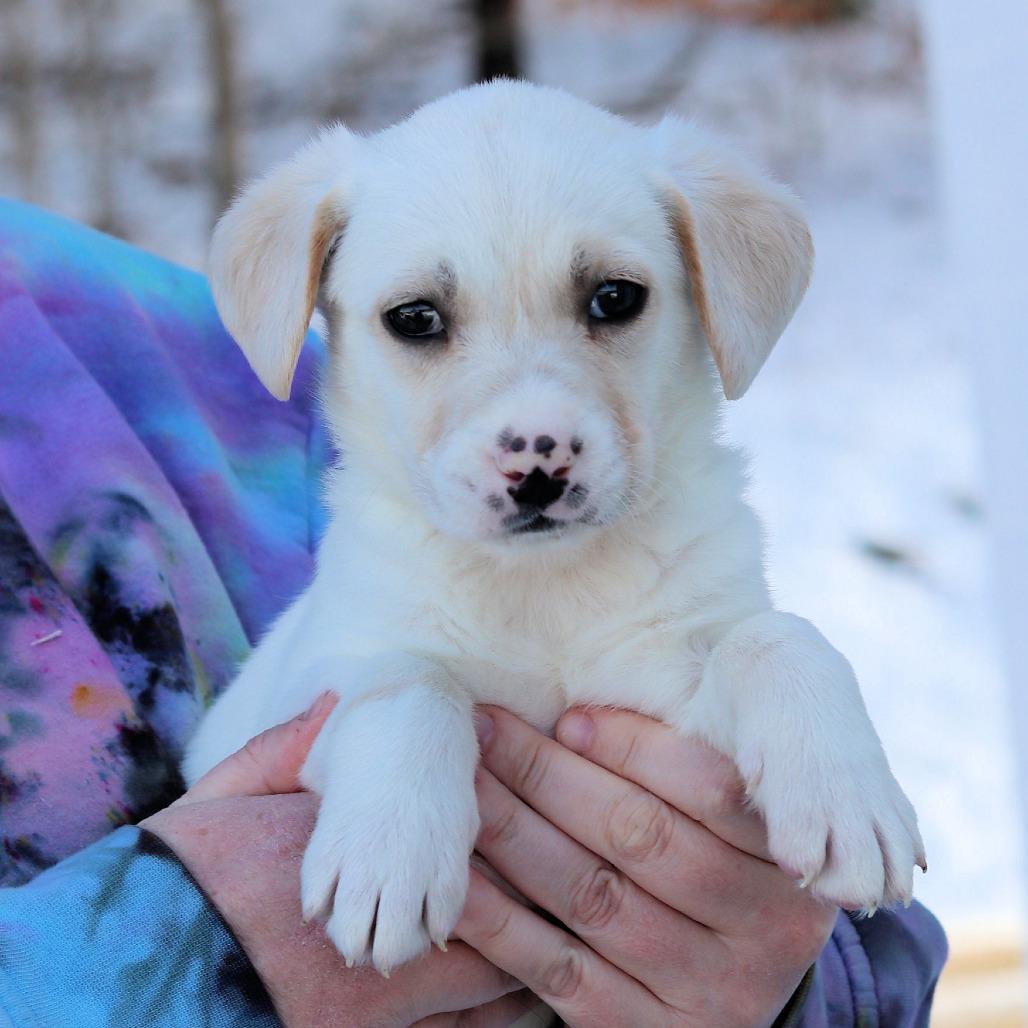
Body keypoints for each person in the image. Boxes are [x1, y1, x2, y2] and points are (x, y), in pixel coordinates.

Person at [0, 199, 947, 1026]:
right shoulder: (369, 535)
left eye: (611, 302)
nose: (535, 441)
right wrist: (178, 955)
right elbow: (311, 734)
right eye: (420, 321)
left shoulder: (159, 356)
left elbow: (777, 898)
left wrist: (794, 984)